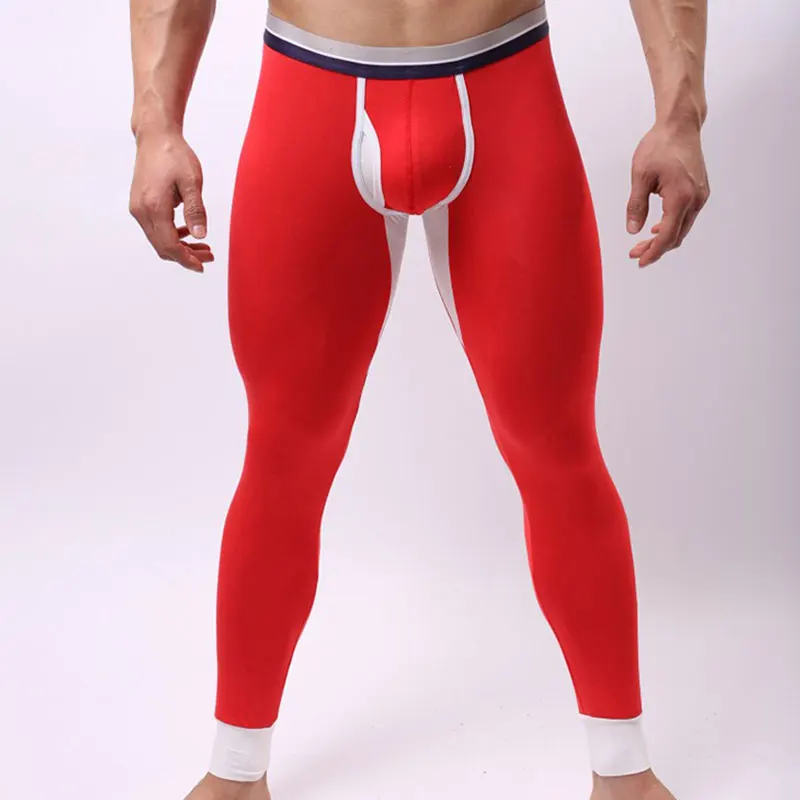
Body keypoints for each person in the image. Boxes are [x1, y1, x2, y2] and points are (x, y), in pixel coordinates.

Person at [128, 1, 710, 798]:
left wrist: (680, 114)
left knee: (556, 449)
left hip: (507, 91)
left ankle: (624, 774)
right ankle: (234, 774)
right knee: (285, 456)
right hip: (311, 93)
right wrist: (156, 123)